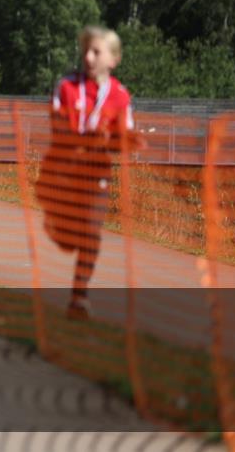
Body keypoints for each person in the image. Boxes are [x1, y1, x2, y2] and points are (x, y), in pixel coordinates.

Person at [37, 25, 139, 321]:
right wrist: (82, 139)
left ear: (113, 59)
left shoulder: (120, 96)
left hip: (97, 174)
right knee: (68, 238)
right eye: (86, 51)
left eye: (97, 52)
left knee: (91, 233)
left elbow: (124, 136)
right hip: (64, 172)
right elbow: (57, 126)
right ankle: (58, 227)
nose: (89, 57)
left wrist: (123, 141)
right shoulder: (66, 86)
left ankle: (79, 296)